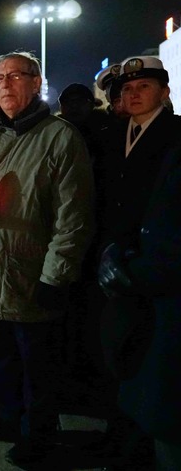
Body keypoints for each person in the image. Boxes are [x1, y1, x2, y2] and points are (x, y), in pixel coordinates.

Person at [0, 51, 94, 467]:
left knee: (38, 368)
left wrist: (55, 277)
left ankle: (40, 436)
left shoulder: (60, 138)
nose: (5, 84)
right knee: (1, 359)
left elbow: (74, 218)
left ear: (36, 83)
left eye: (16, 76)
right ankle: (9, 417)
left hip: (31, 274)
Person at [93, 55, 181, 469]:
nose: (133, 94)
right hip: (112, 260)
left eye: (144, 86)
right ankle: (118, 435)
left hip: (152, 266)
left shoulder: (176, 134)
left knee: (151, 363)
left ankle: (140, 445)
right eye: (127, 89)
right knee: (116, 351)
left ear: (164, 92)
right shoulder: (113, 134)